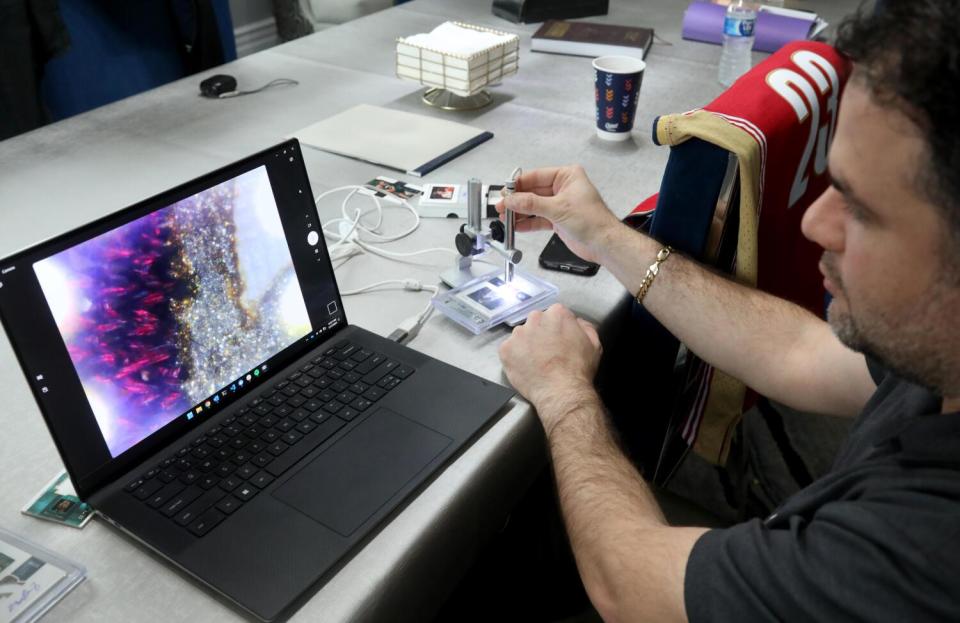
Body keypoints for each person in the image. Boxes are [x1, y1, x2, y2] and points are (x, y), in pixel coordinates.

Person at [495, 2, 960, 621]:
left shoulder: (915, 549)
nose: (816, 223)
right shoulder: (938, 356)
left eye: (862, 209)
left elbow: (628, 586)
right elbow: (802, 351)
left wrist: (564, 392)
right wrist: (609, 236)